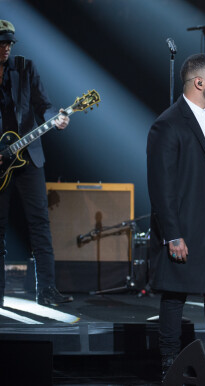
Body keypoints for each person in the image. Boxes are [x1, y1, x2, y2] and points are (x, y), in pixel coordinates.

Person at [146, 53, 205, 379]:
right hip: (184, 230)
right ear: (199, 82)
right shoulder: (168, 124)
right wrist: (172, 234)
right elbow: (161, 187)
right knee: (174, 298)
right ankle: (169, 366)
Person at [0, 20, 73, 307]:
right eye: (1, 43)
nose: (6, 48)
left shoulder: (25, 68)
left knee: (40, 224)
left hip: (28, 156)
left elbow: (44, 105)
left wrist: (58, 117)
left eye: (9, 43)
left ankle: (47, 290)